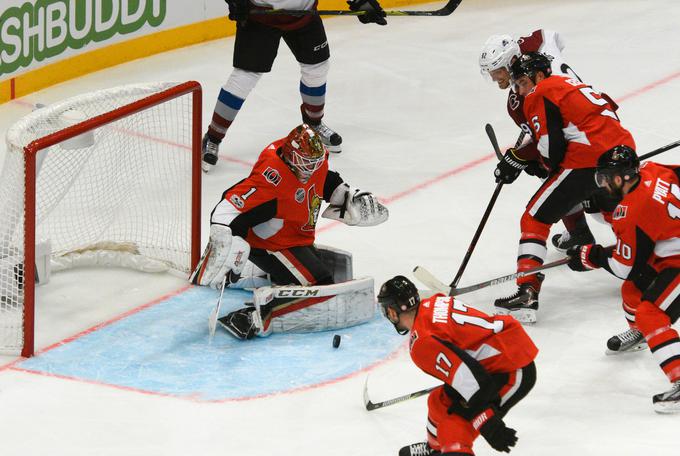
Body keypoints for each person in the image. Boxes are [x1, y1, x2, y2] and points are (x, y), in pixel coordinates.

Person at [191, 124, 388, 339]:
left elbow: (324, 179)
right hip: (272, 245)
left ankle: (254, 274)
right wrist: (225, 244)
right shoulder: (271, 178)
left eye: (315, 162)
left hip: (295, 237)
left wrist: (348, 197)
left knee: (323, 272)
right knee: (320, 284)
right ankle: (260, 314)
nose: (312, 168)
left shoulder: (312, 160)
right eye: (307, 163)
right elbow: (226, 208)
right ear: (292, 158)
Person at [491, 52, 635, 323]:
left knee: (534, 217)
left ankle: (527, 291)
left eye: (522, 82)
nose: (521, 91)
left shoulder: (539, 92)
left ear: (540, 75)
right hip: (622, 156)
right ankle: (649, 263)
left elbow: (551, 151)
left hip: (587, 160)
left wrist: (533, 162)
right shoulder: (572, 83)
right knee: (616, 211)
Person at [201, 0, 387, 171]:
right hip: (261, 16)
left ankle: (313, 125)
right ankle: (213, 137)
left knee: (317, 68)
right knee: (245, 76)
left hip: (304, 15)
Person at [567, 146, 680, 413]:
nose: (603, 183)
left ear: (624, 177)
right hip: (667, 249)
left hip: (675, 260)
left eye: (608, 177)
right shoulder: (654, 170)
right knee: (632, 292)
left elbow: (623, 266)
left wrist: (590, 256)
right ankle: (643, 333)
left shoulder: (632, 210)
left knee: (650, 313)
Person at [378, 276, 537, 456]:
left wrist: (486, 420)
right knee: (438, 401)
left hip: (511, 368)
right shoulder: (434, 301)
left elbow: (473, 382)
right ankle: (434, 448)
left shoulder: (421, 343)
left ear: (392, 312)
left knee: (454, 429)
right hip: (502, 352)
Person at [479, 30, 598, 253]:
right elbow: (550, 35)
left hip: (579, 138)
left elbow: (550, 142)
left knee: (554, 171)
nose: (496, 79)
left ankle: (580, 233)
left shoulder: (523, 100)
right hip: (599, 115)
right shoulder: (536, 49)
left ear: (511, 61)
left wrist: (519, 158)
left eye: (498, 72)